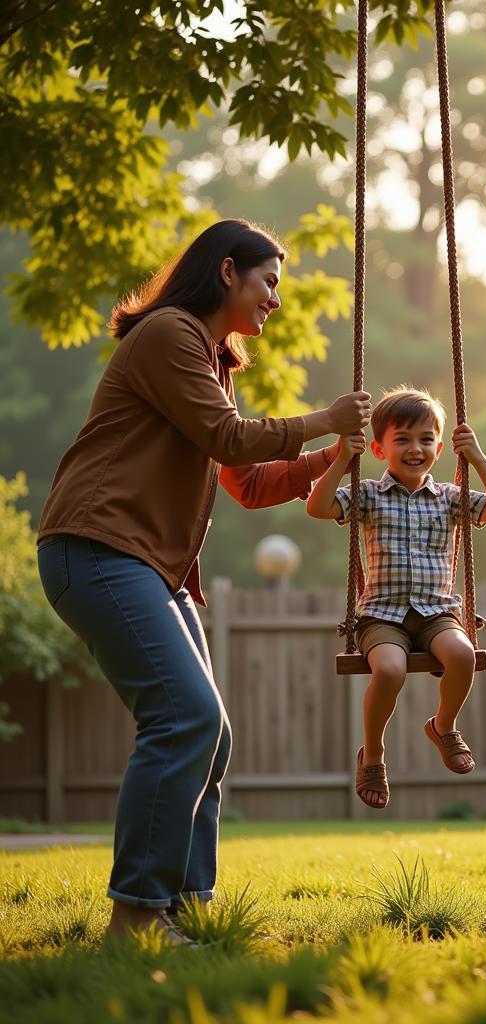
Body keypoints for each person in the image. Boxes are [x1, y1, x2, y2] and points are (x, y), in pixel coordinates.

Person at [36, 219, 372, 944]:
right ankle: (136, 914)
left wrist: (331, 455)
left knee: (209, 736)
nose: (275, 300)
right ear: (227, 272)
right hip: (97, 546)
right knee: (183, 717)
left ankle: (189, 909)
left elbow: (246, 481)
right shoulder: (168, 334)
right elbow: (229, 438)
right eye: (269, 282)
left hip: (147, 565)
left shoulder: (211, 360)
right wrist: (322, 418)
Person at [307, 388, 486, 810]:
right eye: (402, 439)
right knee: (389, 670)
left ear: (439, 448)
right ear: (380, 449)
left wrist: (476, 458)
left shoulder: (451, 498)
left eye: (425, 439)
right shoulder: (366, 493)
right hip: (381, 616)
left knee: (463, 654)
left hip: (436, 611)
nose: (414, 448)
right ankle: (373, 753)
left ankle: (444, 726)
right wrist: (341, 460)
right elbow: (318, 506)